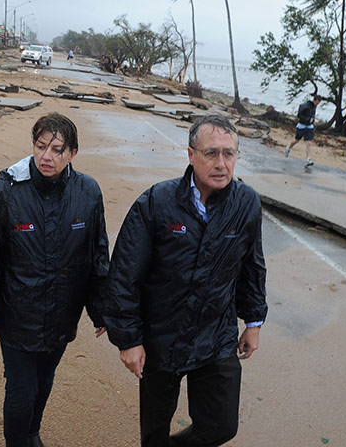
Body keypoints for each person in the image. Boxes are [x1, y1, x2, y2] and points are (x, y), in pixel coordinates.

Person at [103, 114, 268, 447]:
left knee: (221, 426)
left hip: (216, 334)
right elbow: (124, 274)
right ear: (191, 155)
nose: (221, 163)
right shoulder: (157, 203)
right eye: (211, 153)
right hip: (161, 336)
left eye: (229, 153)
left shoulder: (246, 204)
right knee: (154, 430)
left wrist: (253, 321)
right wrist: (128, 339)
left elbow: (252, 266)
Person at [0, 112, 109, 447]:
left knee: (44, 382)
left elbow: (97, 254)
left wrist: (101, 309)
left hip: (62, 312)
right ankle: (18, 440)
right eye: (41, 146)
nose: (47, 156)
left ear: (72, 153)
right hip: (17, 313)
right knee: (21, 392)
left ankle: (31, 433)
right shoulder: (7, 190)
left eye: (57, 149)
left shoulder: (88, 192)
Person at [285, 94, 322, 166]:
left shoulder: (314, 107)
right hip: (302, 125)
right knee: (296, 140)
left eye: (319, 103)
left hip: (309, 127)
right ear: (314, 100)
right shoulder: (304, 106)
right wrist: (308, 119)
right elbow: (299, 115)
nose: (317, 104)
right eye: (317, 102)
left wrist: (312, 119)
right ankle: (288, 148)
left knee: (309, 142)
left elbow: (312, 115)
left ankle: (308, 159)